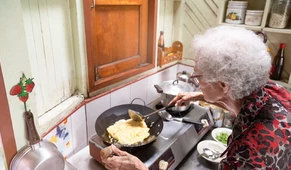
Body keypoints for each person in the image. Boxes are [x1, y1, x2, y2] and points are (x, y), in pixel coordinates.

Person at [101, 26, 291, 170]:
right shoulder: (269, 89)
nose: (195, 82)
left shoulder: (252, 152)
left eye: (198, 77)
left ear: (223, 85)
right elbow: (234, 92)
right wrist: (199, 95)